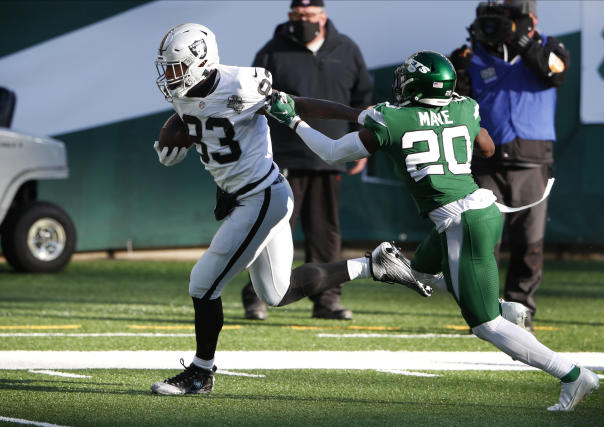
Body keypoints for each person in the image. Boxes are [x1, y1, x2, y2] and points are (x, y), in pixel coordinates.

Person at [265, 50, 598, 411]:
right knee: (420, 272)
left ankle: (572, 374)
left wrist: (294, 121)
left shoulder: (390, 119)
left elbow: (331, 152)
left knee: (484, 326)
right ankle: (499, 306)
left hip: (460, 221)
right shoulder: (464, 108)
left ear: (413, 84)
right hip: (480, 208)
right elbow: (487, 147)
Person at [149, 23, 433, 396]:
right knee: (276, 292)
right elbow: (192, 120)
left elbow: (298, 103)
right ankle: (373, 265)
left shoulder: (243, 83)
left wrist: (358, 115)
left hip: (261, 196)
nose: (170, 76)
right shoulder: (185, 92)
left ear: (201, 61)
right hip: (251, 194)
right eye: (167, 67)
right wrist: (177, 142)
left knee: (203, 283)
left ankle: (201, 373)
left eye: (176, 67)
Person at [241, 0, 373, 321]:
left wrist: (362, 146)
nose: (302, 21)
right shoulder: (272, 51)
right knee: (272, 227)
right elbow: (255, 101)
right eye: (296, 16)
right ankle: (257, 296)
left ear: (322, 17)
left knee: (325, 232)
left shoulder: (347, 49)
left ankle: (327, 300)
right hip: (284, 155)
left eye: (308, 16)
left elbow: (362, 98)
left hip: (331, 153)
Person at [449, 0, 570, 332]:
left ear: (528, 20)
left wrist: (525, 43)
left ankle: (522, 311)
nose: (496, 25)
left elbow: (554, 72)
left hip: (533, 159)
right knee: (483, 239)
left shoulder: (549, 47)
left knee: (529, 241)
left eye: (505, 19)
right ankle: (483, 309)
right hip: (485, 160)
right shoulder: (469, 55)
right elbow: (456, 103)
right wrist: (458, 73)